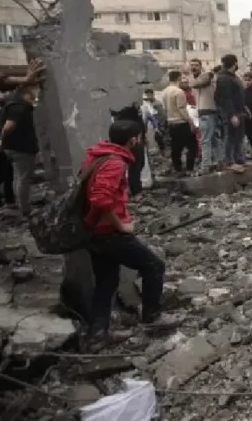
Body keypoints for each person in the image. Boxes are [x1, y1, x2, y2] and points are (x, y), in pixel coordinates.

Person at [83, 120, 175, 344]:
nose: (140, 141)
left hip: (92, 231)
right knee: (154, 265)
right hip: (108, 232)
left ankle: (98, 333)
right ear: (133, 139)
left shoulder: (97, 155)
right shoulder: (115, 163)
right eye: (139, 137)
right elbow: (100, 199)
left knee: (106, 281)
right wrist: (121, 225)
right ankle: (152, 316)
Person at [0, 84, 39, 215]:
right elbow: (9, 127)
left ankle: (21, 205)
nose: (35, 96)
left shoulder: (9, 105)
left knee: (18, 178)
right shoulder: (18, 106)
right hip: (22, 148)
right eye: (34, 92)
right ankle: (25, 210)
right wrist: (1, 140)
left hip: (13, 148)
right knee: (24, 179)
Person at [214, 54, 246, 173]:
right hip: (231, 113)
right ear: (235, 63)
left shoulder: (232, 77)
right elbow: (225, 98)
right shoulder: (224, 78)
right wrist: (232, 115)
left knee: (238, 137)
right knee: (230, 136)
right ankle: (229, 161)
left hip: (239, 111)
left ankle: (239, 159)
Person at [189, 59, 222, 175]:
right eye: (192, 65)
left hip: (207, 111)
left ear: (200, 66)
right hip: (205, 111)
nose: (193, 67)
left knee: (205, 140)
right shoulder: (199, 77)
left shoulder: (205, 76)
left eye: (196, 65)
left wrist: (189, 77)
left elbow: (195, 84)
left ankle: (205, 167)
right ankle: (219, 162)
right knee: (213, 139)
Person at [162, 70, 197, 175]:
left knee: (176, 147)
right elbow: (182, 109)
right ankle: (189, 168)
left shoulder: (165, 91)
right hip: (181, 122)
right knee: (192, 146)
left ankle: (178, 169)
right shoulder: (179, 92)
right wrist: (190, 121)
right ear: (179, 78)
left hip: (171, 121)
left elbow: (165, 108)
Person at [0, 93, 15, 211]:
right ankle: (0, 201)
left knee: (7, 173)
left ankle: (7, 200)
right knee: (2, 175)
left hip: (0, 146)